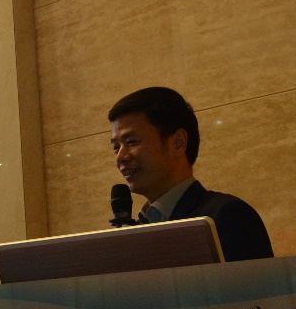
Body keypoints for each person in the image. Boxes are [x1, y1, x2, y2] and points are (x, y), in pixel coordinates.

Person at [108, 86, 273, 262]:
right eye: (116, 147)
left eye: (131, 142)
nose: (120, 157)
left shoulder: (226, 217)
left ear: (178, 142)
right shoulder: (138, 229)